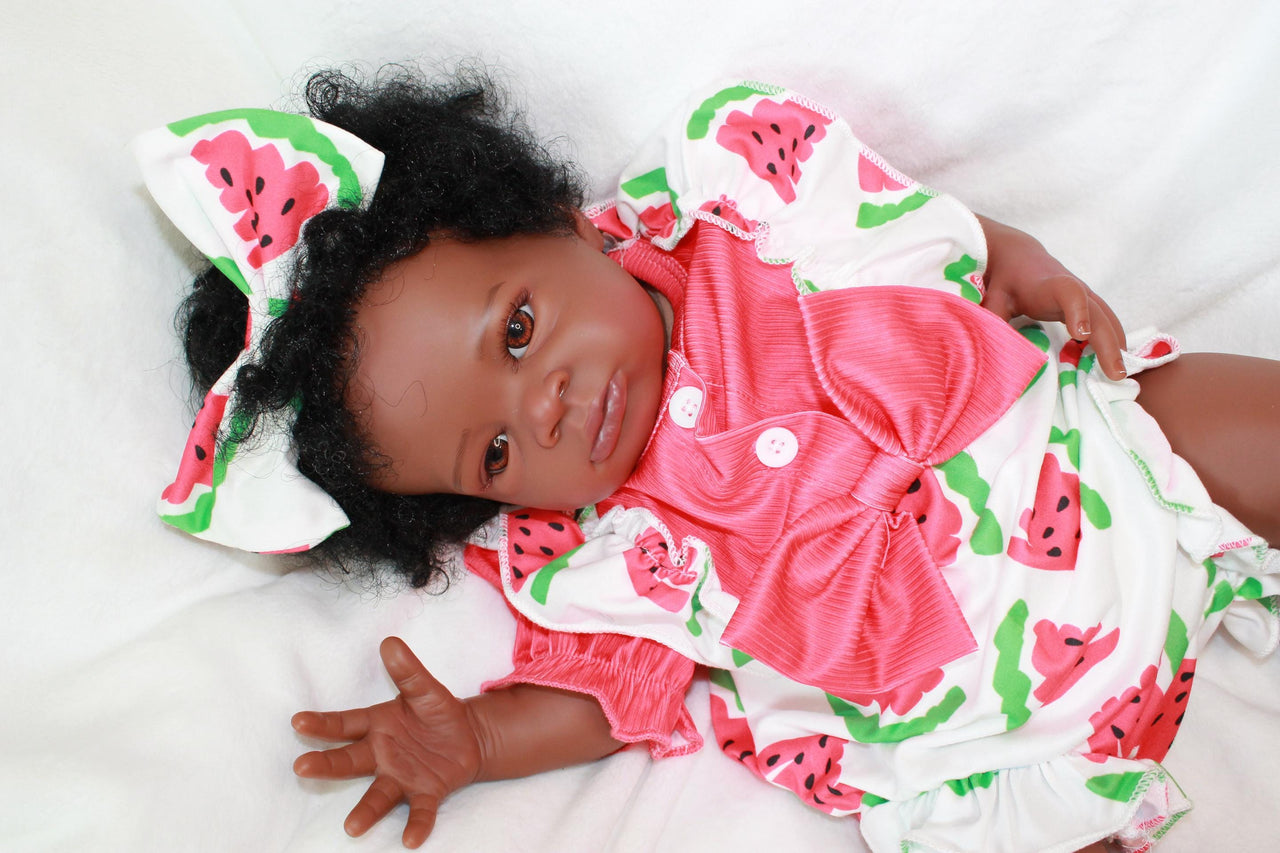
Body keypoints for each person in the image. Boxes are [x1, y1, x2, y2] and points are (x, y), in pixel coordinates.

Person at [136, 66, 1280, 852]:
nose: (543, 411)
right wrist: (478, 740)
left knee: (1237, 420)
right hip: (995, 742)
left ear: (556, 219)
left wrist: (1019, 264)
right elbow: (608, 698)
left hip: (1105, 466)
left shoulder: (745, 214)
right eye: (490, 451)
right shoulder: (585, 557)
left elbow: (935, 238)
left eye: (519, 330)